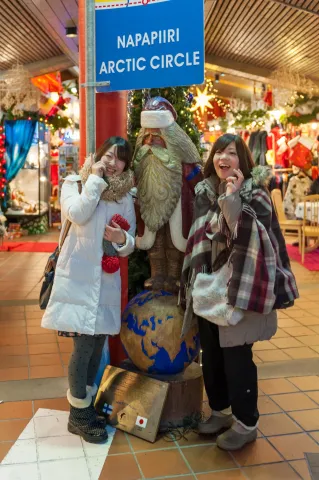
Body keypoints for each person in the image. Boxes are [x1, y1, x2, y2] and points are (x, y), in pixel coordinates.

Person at [180, 134, 298, 451]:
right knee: (212, 356)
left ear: (242, 160)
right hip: (208, 287)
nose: (223, 157)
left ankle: (247, 423)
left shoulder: (256, 194)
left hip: (241, 286)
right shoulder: (204, 191)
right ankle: (220, 411)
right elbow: (204, 234)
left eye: (231, 152)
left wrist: (232, 199)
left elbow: (243, 236)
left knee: (237, 357)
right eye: (218, 151)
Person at [42, 137, 136, 444]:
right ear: (98, 156)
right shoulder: (75, 183)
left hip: (106, 283)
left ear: (126, 164)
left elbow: (128, 245)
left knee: (97, 345)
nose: (112, 162)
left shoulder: (125, 197)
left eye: (120, 159)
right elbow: (78, 214)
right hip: (79, 278)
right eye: (109, 155)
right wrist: (95, 180)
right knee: (83, 347)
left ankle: (84, 408)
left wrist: (122, 237)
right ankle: (77, 414)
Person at [133, 96, 203, 293]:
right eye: (148, 139)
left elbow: (196, 178)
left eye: (157, 138)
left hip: (177, 203)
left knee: (174, 243)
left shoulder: (182, 160)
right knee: (154, 244)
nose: (151, 142)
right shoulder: (142, 159)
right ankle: (157, 275)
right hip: (149, 202)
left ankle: (173, 277)